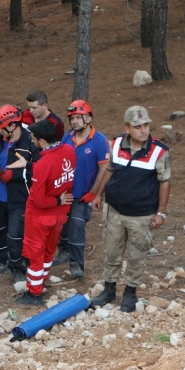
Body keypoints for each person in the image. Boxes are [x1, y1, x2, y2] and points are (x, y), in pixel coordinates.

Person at [91, 106, 171, 312]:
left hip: (142, 215)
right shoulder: (116, 144)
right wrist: (98, 194)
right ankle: (109, 289)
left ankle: (130, 292)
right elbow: (109, 170)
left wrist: (161, 212)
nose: (143, 130)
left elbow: (164, 182)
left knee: (137, 256)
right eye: (137, 126)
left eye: (146, 125)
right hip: (115, 211)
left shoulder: (159, 151)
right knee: (112, 253)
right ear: (127, 128)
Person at [8, 120, 76, 306]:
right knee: (48, 251)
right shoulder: (69, 150)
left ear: (43, 142)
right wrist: (59, 201)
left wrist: (55, 200)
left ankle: (35, 293)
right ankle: (42, 280)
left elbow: (38, 200)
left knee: (34, 256)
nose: (31, 141)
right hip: (60, 215)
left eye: (33, 138)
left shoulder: (43, 164)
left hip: (40, 217)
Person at [0, 104, 39, 282]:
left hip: (19, 197)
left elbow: (37, 171)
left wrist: (12, 175)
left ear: (13, 125)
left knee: (15, 234)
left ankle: (17, 267)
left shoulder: (30, 143)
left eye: (1, 127)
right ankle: (0, 259)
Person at [53, 100, 109, 278]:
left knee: (77, 226)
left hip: (82, 195)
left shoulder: (99, 141)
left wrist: (94, 194)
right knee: (61, 225)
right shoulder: (67, 138)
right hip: (64, 192)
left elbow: (104, 169)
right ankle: (63, 253)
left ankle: (77, 264)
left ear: (89, 117)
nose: (74, 121)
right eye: (72, 118)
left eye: (79, 117)